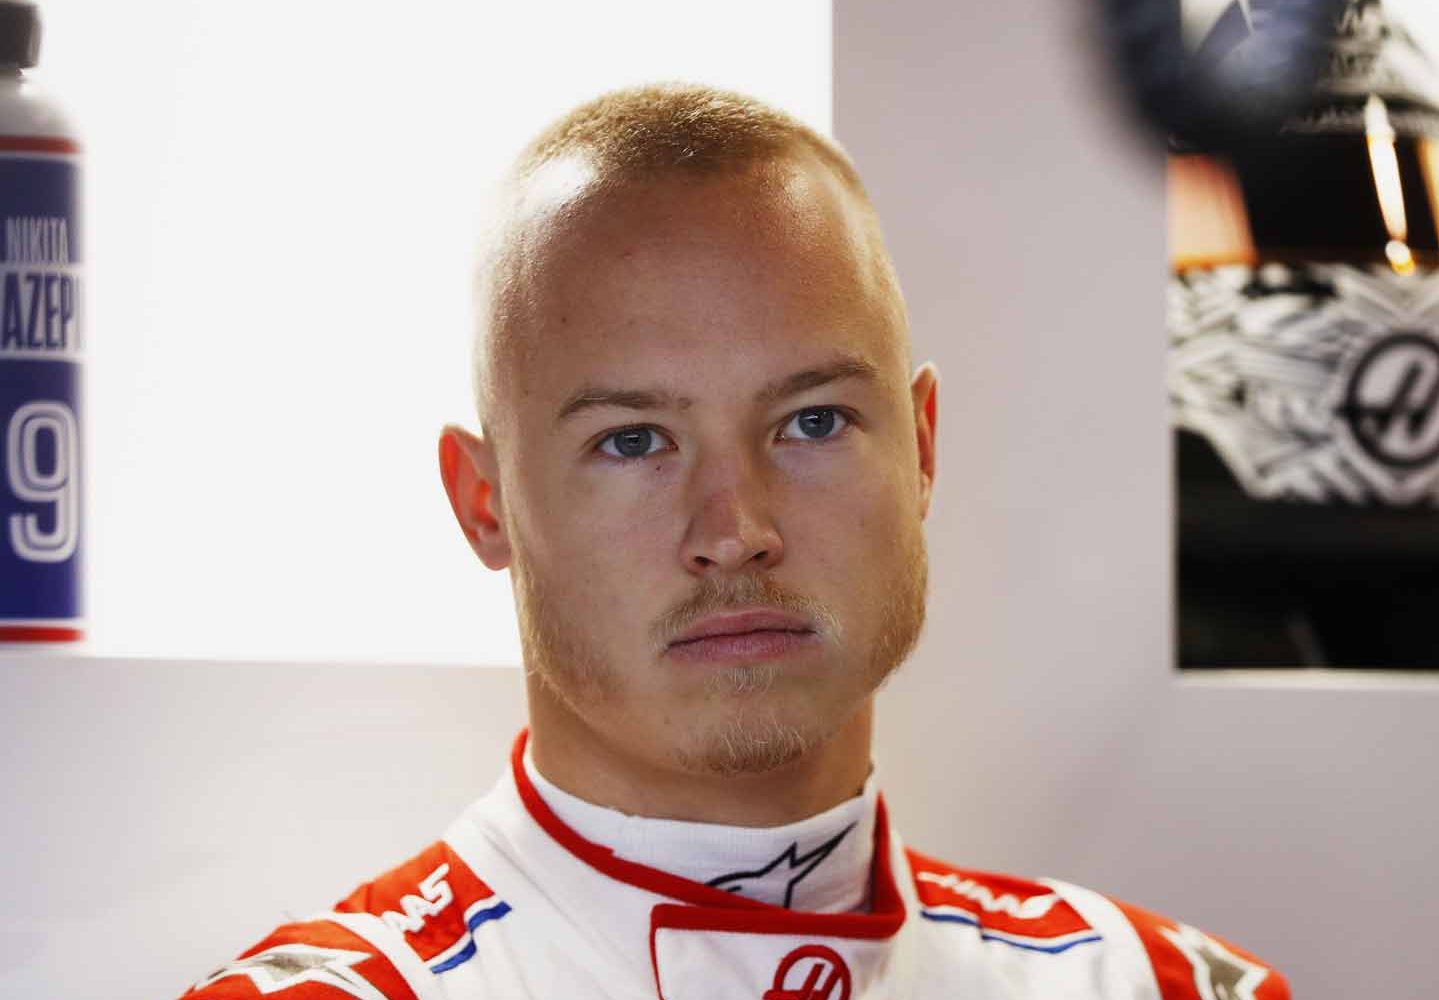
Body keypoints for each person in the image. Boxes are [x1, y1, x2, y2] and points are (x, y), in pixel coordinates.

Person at [178, 83, 1291, 1000]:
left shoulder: (1161, 985)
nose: (737, 531)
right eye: (632, 441)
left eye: (811, 422)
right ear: (486, 505)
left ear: (922, 450)